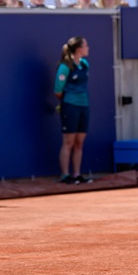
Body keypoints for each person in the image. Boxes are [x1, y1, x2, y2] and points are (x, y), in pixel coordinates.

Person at [54, 37, 91, 184]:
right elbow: (58, 90)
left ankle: (76, 174)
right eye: (86, 45)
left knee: (79, 143)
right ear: (78, 49)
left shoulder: (85, 64)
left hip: (84, 105)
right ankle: (65, 175)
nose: (88, 48)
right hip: (70, 105)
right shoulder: (65, 66)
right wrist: (68, 101)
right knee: (68, 142)